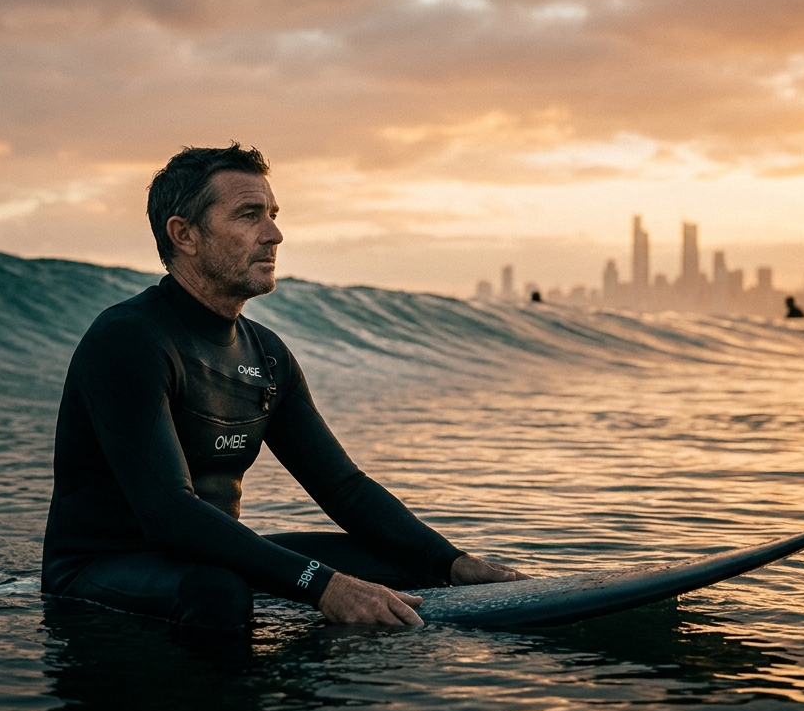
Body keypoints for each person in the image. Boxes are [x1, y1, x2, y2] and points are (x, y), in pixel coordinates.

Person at [42, 144, 526, 631]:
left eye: (272, 215)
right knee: (219, 592)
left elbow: (343, 487)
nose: (274, 234)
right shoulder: (128, 340)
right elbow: (167, 512)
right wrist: (322, 585)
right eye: (249, 215)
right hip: (103, 568)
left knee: (407, 568)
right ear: (184, 234)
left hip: (211, 554)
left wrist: (452, 562)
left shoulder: (267, 355)